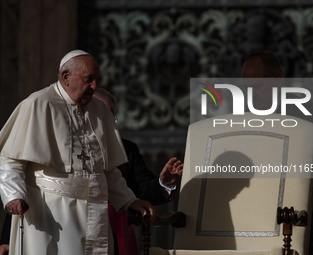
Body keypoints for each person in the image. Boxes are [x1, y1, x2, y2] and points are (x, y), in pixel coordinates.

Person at [0, 50, 155, 255]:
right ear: (66, 77)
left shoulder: (99, 110)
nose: (94, 86)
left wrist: (129, 200)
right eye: (88, 80)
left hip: (95, 211)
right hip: (51, 215)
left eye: (95, 80)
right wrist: (13, 195)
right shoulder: (38, 104)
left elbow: (107, 171)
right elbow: (11, 159)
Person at [242, 51, 313, 254]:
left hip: (302, 223)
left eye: (256, 87)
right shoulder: (241, 121)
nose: (251, 95)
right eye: (246, 89)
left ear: (277, 81)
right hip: (252, 225)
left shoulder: (307, 113)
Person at [93, 88, 183, 255]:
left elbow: (143, 191)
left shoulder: (127, 149)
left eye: (111, 116)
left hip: (117, 235)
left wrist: (163, 183)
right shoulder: (69, 144)